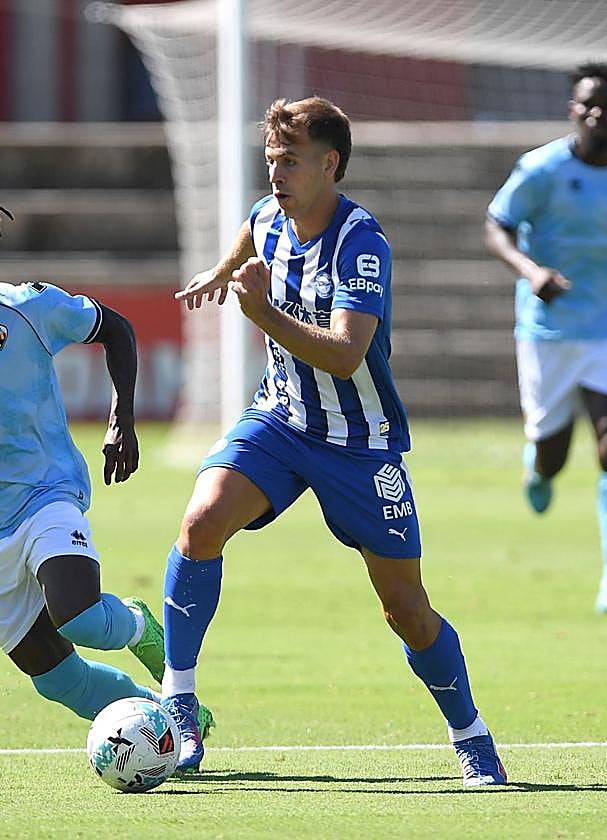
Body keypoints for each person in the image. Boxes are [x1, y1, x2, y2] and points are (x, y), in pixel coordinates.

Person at [162, 98, 506, 785]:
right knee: (201, 522)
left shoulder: (361, 243)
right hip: (281, 420)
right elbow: (248, 234)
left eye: (289, 162)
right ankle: (178, 706)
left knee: (405, 610)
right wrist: (224, 270)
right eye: (270, 162)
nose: (275, 175)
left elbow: (348, 355)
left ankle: (471, 735)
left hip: (360, 443)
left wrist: (260, 311)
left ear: (331, 164)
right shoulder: (269, 218)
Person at [0, 178, 213, 736]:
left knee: (82, 618)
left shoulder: (26, 308)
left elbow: (115, 329)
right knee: (56, 679)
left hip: (46, 493)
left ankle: (143, 632)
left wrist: (123, 417)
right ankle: (161, 722)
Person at [484, 61, 607, 616]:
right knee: (554, 455)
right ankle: (537, 465)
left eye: (606, 105)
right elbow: (496, 225)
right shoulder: (541, 168)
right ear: (573, 109)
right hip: (549, 330)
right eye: (585, 104)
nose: (595, 113)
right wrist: (531, 271)